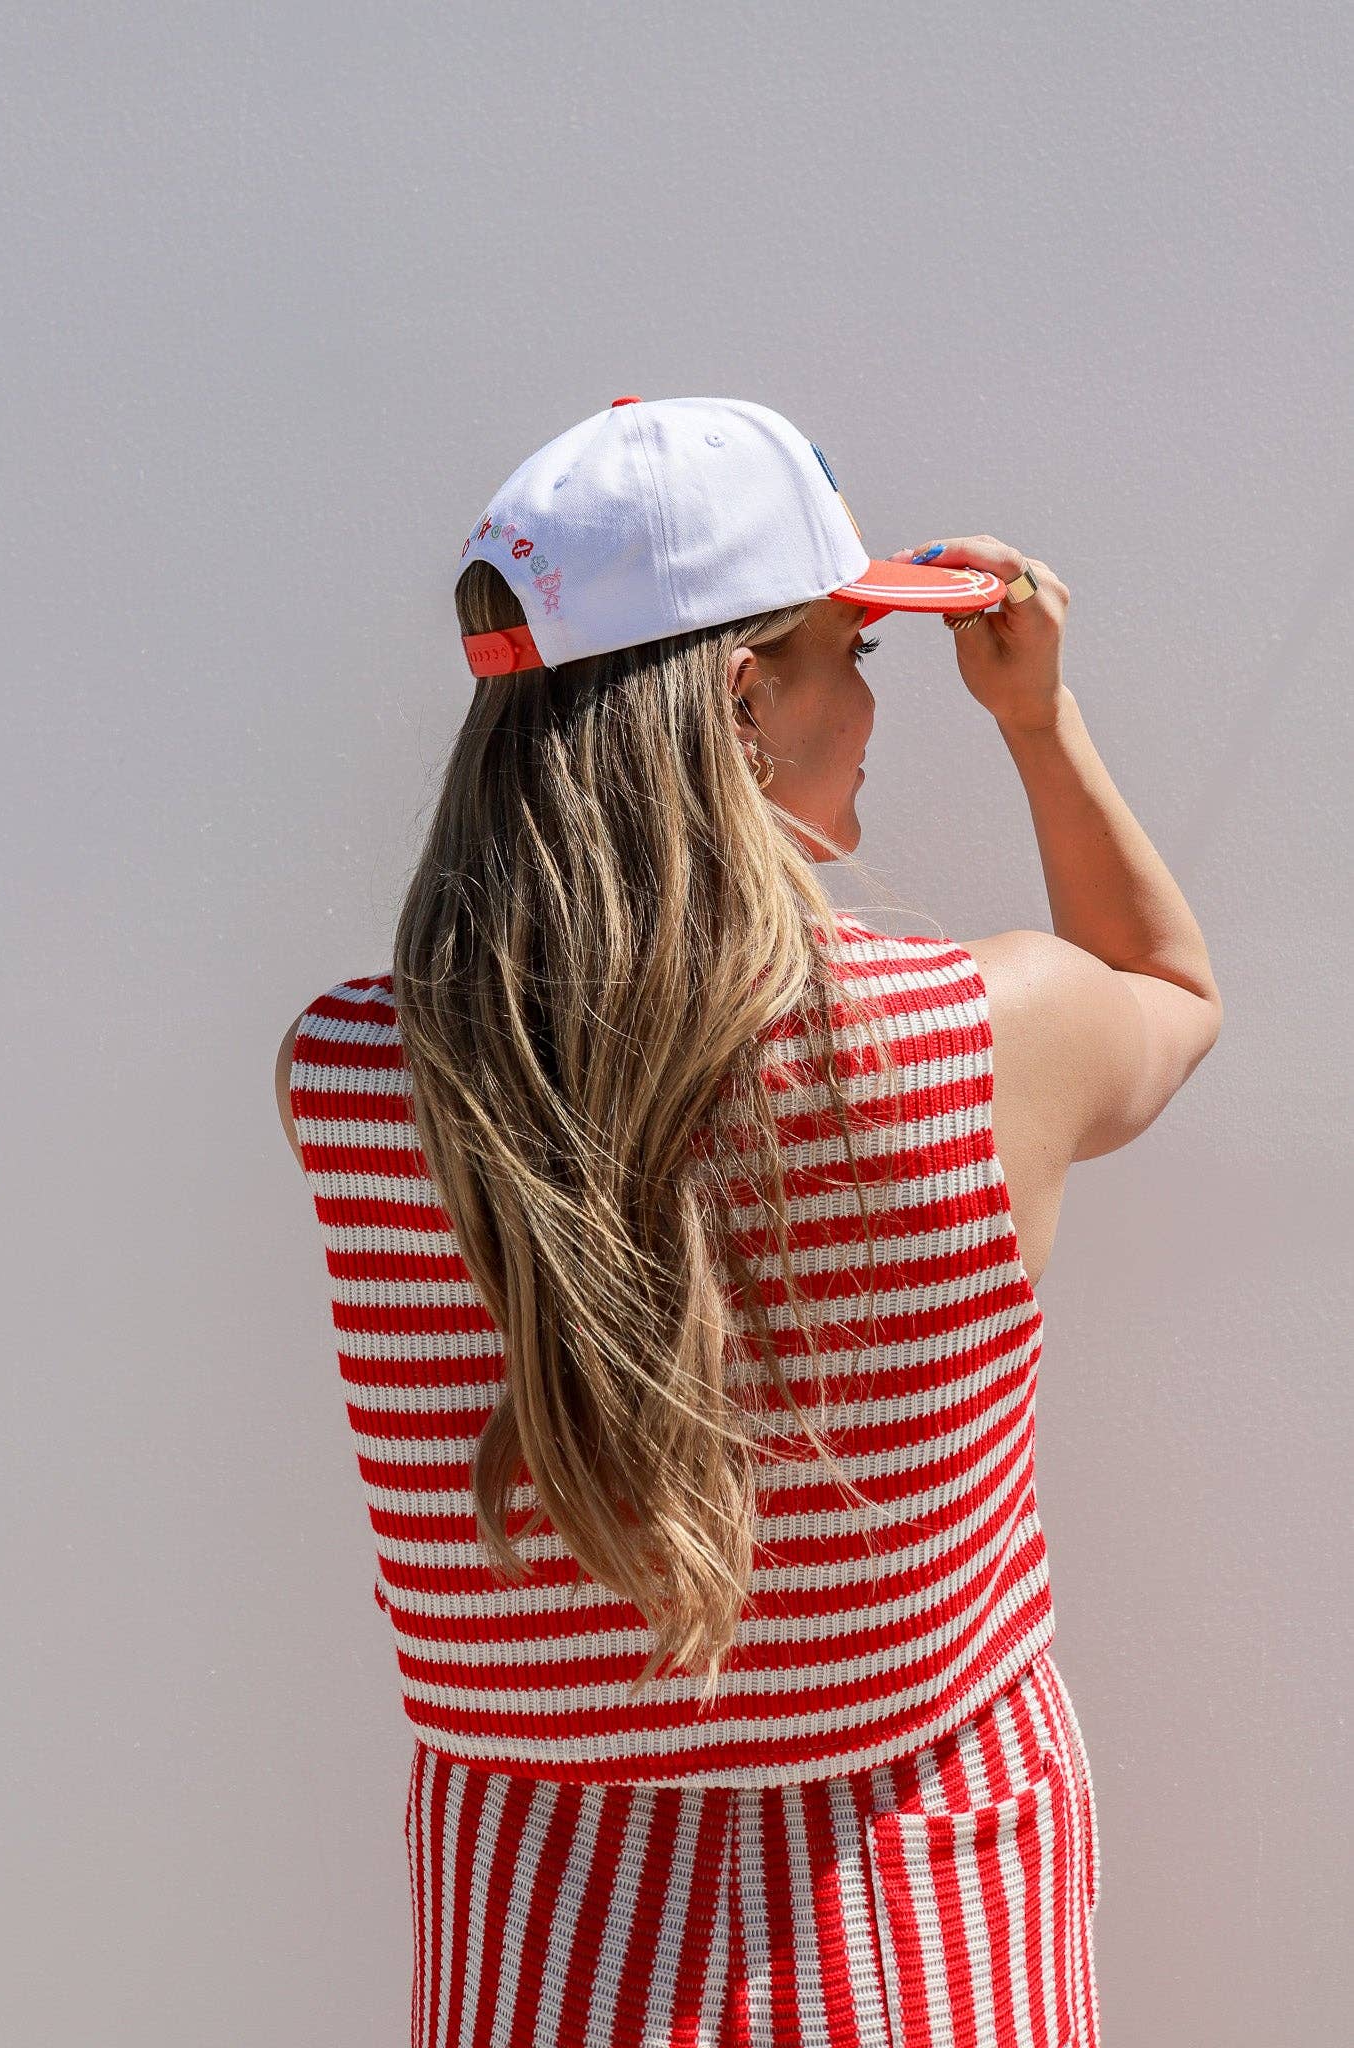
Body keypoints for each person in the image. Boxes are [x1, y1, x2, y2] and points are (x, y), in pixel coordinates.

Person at [274, 396, 1223, 2047]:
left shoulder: (351, 1071)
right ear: (739, 701)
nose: (872, 700)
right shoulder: (977, 1037)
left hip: (543, 1955)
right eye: (852, 651)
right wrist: (1035, 720)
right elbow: (1166, 987)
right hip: (924, 1938)